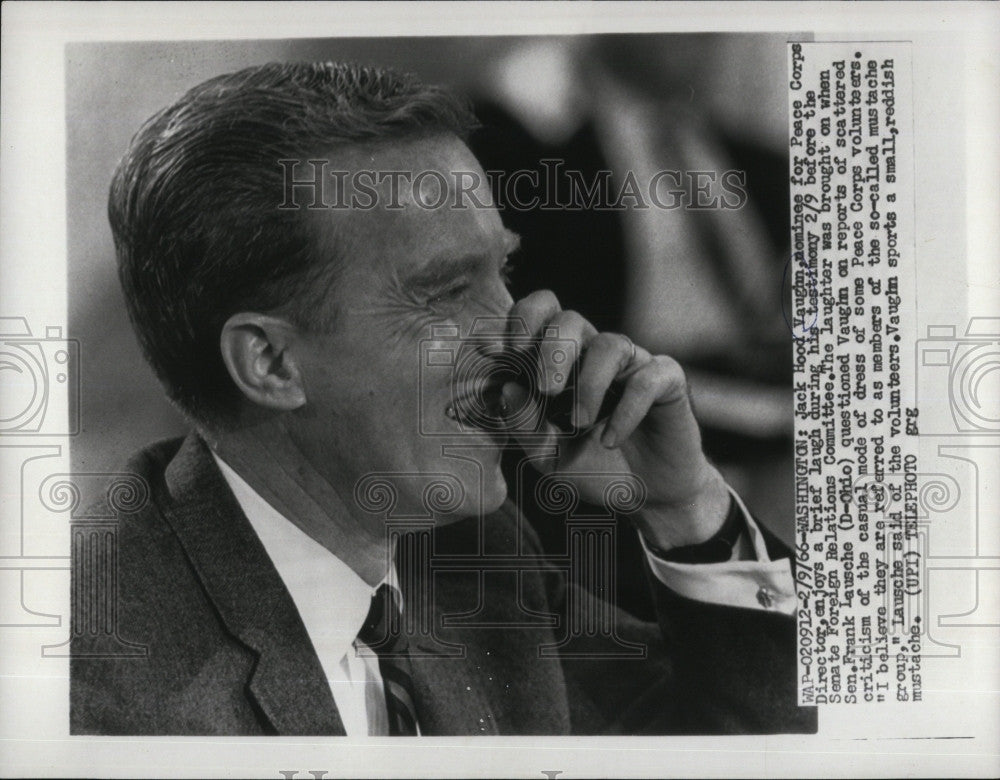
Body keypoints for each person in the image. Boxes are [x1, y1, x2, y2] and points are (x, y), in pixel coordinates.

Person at [71, 61, 815, 736]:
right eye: (448, 290)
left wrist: (686, 511)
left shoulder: (472, 553)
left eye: (505, 273)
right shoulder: (93, 680)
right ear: (269, 363)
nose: (525, 335)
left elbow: (745, 753)